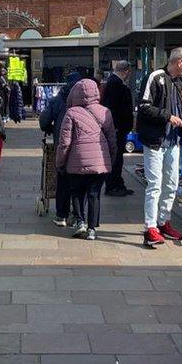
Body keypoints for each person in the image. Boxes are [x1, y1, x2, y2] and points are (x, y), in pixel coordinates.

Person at [136, 46, 182, 248]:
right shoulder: (155, 77)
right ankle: (150, 227)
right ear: (179, 62)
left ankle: (164, 221)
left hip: (173, 141)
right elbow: (143, 106)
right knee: (154, 184)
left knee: (171, 184)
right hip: (155, 140)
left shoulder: (178, 83)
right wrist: (168, 116)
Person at [56, 79, 117, 240]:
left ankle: (80, 222)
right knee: (94, 194)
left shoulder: (71, 112)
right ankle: (92, 229)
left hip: (77, 160)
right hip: (99, 161)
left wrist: (60, 162)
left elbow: (64, 142)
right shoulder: (105, 112)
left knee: (76, 192)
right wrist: (111, 158)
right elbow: (112, 139)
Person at [40, 72, 83, 226]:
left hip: (62, 145)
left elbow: (44, 121)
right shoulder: (85, 100)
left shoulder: (57, 100)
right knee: (79, 182)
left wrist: (50, 128)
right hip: (81, 147)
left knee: (63, 180)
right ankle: (78, 215)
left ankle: (61, 215)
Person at [100, 61, 135, 197]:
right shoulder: (116, 84)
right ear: (126, 71)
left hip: (118, 127)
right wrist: (115, 127)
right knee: (116, 157)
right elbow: (114, 108)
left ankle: (118, 183)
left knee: (118, 157)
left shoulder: (114, 83)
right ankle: (113, 185)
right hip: (117, 128)